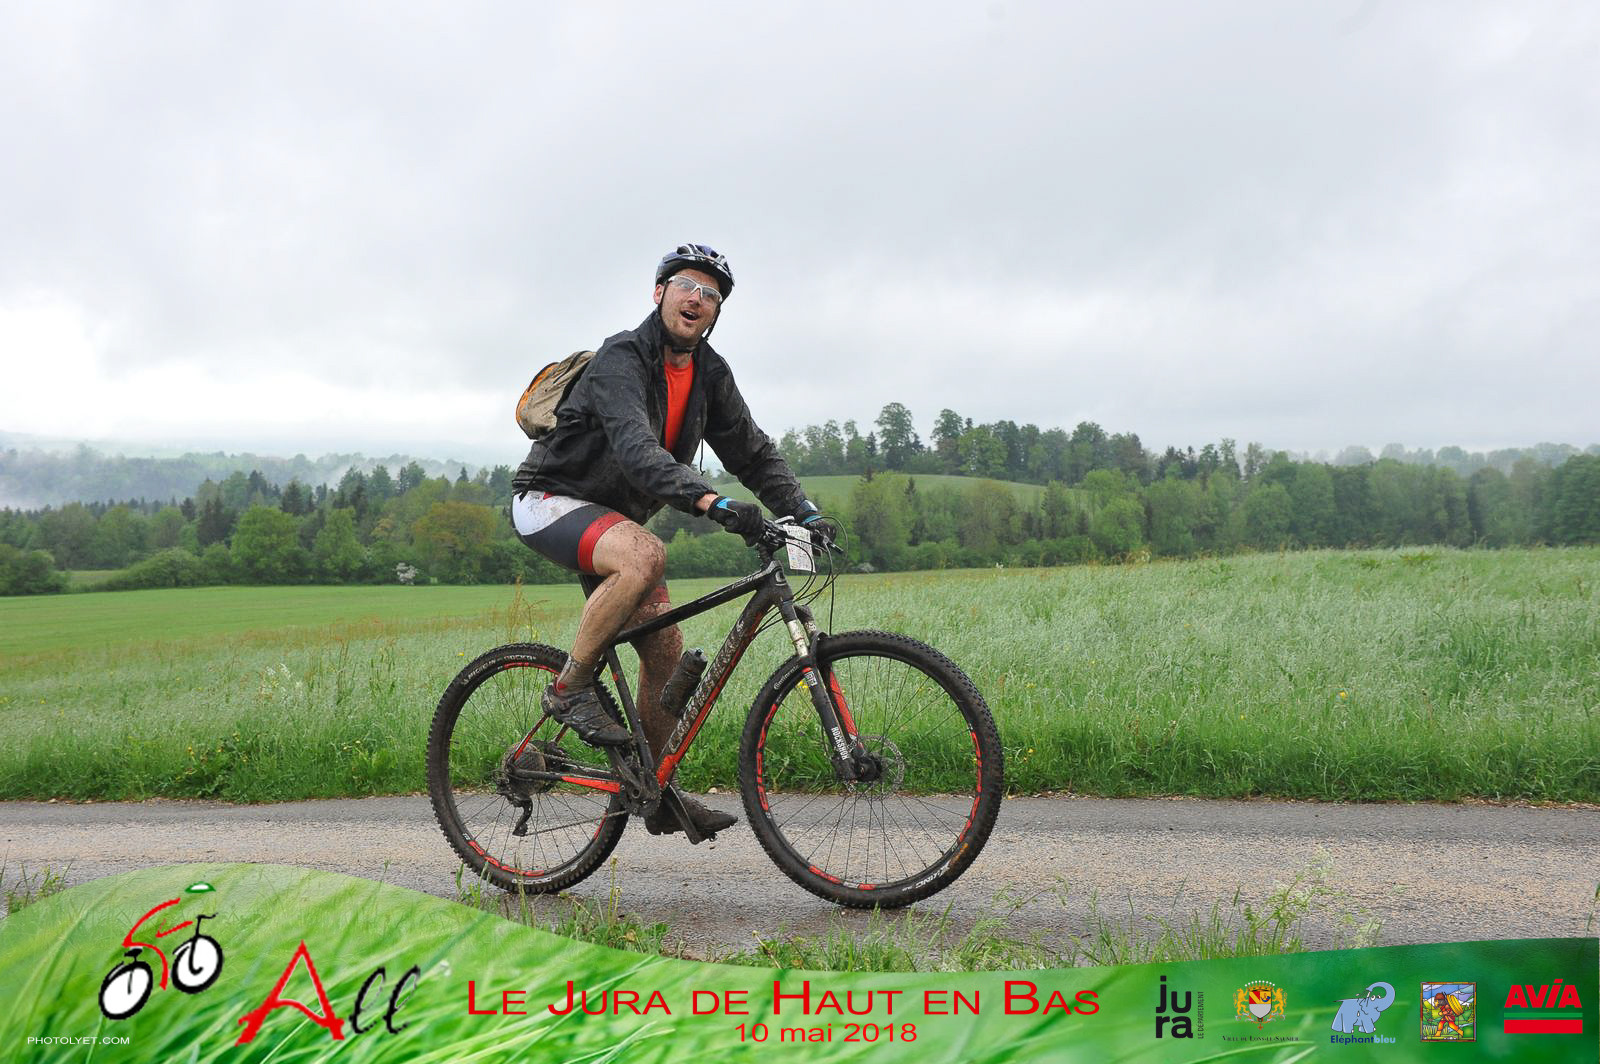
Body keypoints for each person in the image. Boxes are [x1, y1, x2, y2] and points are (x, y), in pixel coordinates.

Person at [509, 243, 829, 841]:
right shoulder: (621, 358)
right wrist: (713, 502)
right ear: (659, 294)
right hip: (550, 499)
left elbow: (752, 453)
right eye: (686, 285)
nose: (697, 299)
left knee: (664, 654)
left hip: (615, 521)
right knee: (645, 554)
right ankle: (569, 688)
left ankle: (652, 790)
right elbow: (637, 451)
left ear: (716, 312)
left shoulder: (709, 373)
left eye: (711, 294)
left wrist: (805, 512)